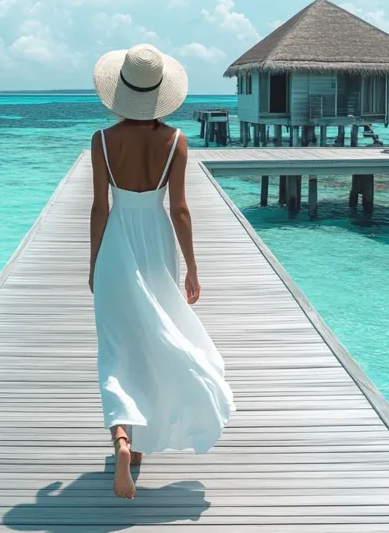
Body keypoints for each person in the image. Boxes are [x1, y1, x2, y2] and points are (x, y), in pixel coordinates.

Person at [88, 43, 235, 499]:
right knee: (153, 340)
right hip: (157, 244)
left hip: (117, 244)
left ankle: (122, 440)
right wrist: (192, 267)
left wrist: (93, 262)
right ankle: (138, 447)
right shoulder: (176, 142)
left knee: (117, 347)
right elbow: (181, 210)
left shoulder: (102, 141)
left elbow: (99, 208)